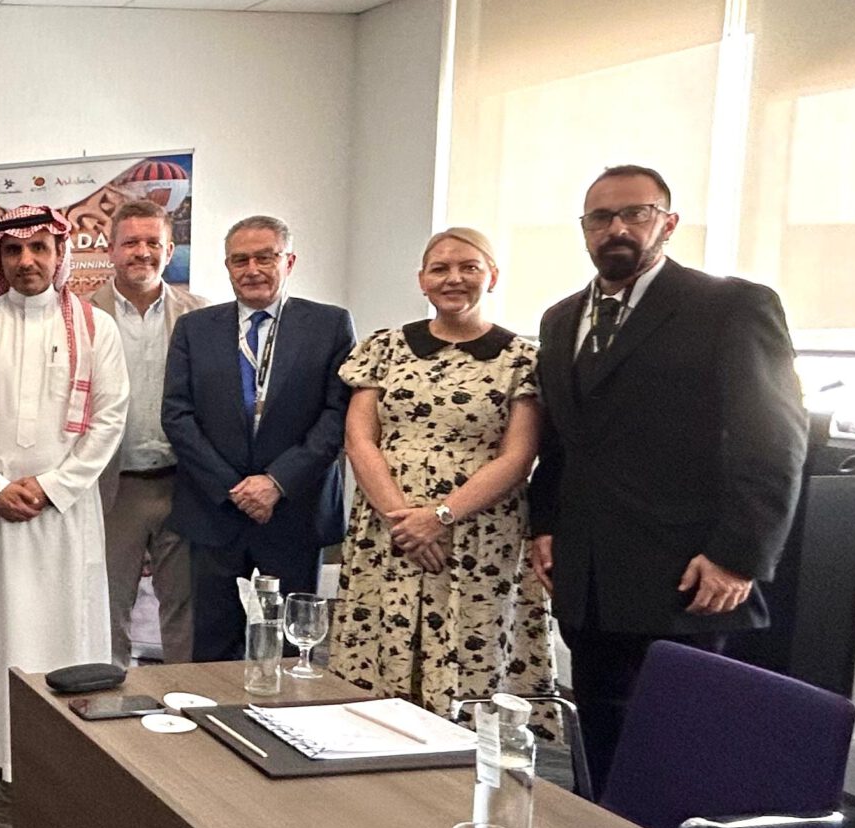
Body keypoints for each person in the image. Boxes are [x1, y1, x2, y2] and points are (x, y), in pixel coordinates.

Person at [529, 165, 806, 788]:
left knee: (677, 741)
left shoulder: (731, 306)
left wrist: (738, 556)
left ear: (668, 222)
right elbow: (563, 438)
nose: (617, 229)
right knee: (598, 729)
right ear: (584, 229)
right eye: (601, 218)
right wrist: (544, 525)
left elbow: (774, 437)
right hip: (587, 569)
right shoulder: (560, 318)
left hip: (685, 571)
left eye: (636, 213)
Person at [0, 206, 129, 786]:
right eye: (14, 250)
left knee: (64, 627)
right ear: (0, 259)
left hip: (62, 512)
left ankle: (57, 753)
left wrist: (51, 486)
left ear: (59, 254)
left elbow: (109, 419)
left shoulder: (95, 328)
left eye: (39, 248)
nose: (27, 261)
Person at [334, 228, 552, 715]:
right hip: (389, 530)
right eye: (440, 269)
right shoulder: (383, 348)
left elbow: (518, 457)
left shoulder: (523, 359)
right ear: (422, 280)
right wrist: (405, 521)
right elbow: (360, 440)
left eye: (469, 267)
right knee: (381, 663)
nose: (454, 278)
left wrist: (440, 516)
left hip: (478, 536)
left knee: (471, 658)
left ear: (492, 276)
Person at [162, 215, 356, 661]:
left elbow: (337, 416)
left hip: (293, 509)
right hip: (215, 509)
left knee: (291, 644)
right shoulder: (195, 328)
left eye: (265, 258)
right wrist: (234, 488)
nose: (252, 270)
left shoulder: (329, 325)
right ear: (227, 267)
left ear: (289, 261)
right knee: (212, 646)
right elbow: (177, 415)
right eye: (240, 260)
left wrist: (276, 482)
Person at [97, 196, 207, 665]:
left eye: (153, 242)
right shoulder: (81, 315)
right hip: (111, 485)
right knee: (106, 605)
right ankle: (105, 694)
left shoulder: (200, 315)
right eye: (130, 243)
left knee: (185, 608)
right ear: (110, 249)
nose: (142, 252)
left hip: (182, 484)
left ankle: (185, 697)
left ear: (170, 249)